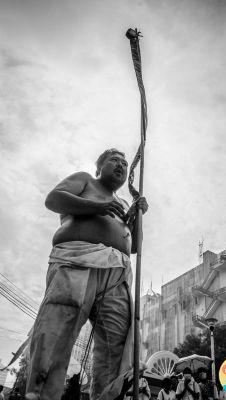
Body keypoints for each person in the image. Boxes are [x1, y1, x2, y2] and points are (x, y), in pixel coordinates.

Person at [25, 148, 148, 400]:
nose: (121, 165)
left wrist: (137, 218)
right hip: (77, 261)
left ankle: (107, 395)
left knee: (117, 343)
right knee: (58, 329)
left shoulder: (123, 204)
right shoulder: (85, 180)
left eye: (125, 163)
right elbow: (53, 199)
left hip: (117, 274)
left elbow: (134, 247)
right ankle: (41, 393)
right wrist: (95, 205)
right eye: (114, 160)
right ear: (98, 167)